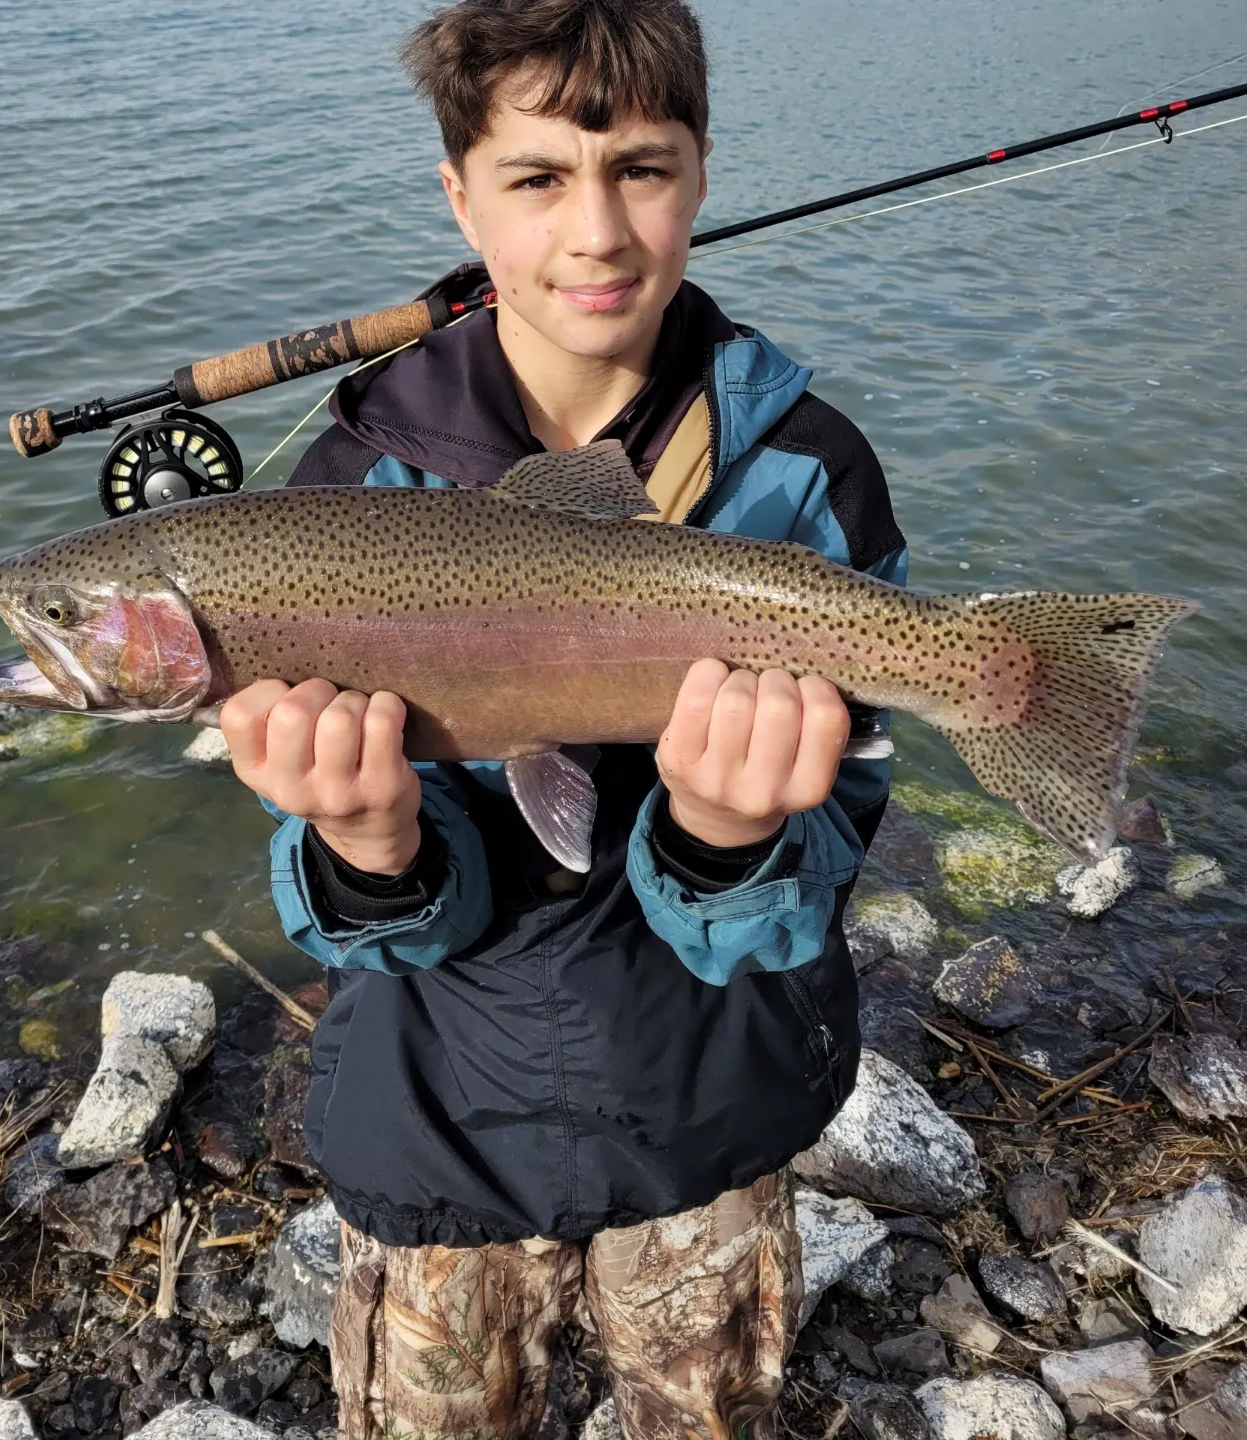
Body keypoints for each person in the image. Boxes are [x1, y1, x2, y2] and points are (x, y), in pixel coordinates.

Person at [221, 2, 906, 1436]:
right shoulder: (351, 483)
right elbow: (363, 927)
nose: (596, 231)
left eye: (640, 170)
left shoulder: (808, 475)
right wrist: (362, 843)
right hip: (438, 1117)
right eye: (537, 180)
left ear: (702, 173)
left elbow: (831, 850)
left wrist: (729, 840)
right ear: (458, 195)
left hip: (712, 1099)